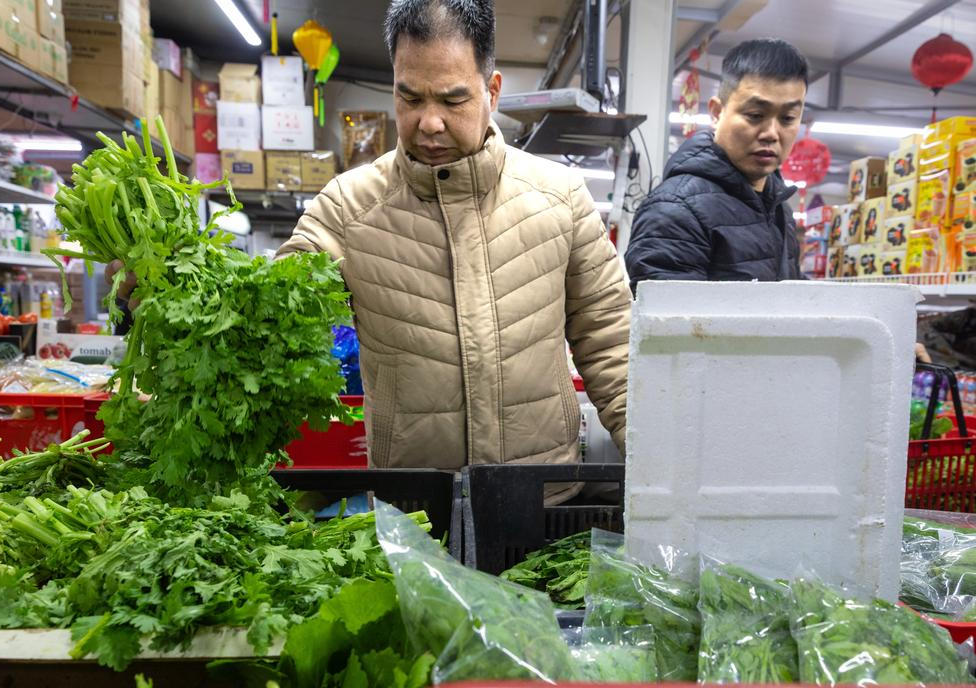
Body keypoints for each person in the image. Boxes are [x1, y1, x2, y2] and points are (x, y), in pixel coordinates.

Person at [273, 0, 630, 498]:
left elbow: (612, 343)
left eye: (452, 99)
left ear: (493, 92)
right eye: (410, 98)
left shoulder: (560, 199)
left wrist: (666, 469)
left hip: (541, 503)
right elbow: (273, 308)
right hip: (415, 516)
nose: (430, 122)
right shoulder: (348, 209)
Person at [625, 38, 807, 290]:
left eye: (787, 118)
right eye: (755, 116)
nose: (772, 133)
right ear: (716, 113)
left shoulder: (778, 208)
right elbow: (669, 325)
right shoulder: (675, 211)